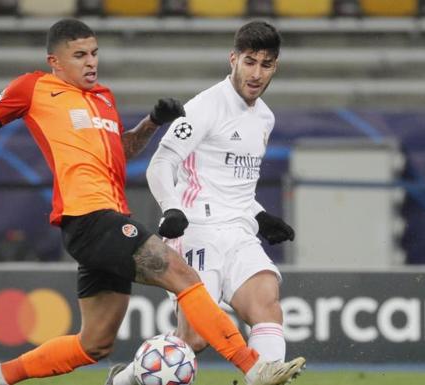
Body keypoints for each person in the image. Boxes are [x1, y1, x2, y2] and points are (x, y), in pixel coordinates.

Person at [0, 19, 301, 385]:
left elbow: (120, 154)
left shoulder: (103, 99)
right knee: (184, 277)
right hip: (87, 217)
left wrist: (151, 122)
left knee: (96, 343)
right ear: (55, 62)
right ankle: (252, 366)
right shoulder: (34, 89)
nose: (91, 63)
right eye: (80, 56)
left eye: (94, 54)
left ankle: (1, 374)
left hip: (108, 219)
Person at [106, 21, 304, 385]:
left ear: (276, 66)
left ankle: (263, 377)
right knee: (194, 339)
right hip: (197, 229)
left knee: (267, 304)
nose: (256, 73)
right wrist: (172, 208)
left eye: (266, 64)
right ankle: (125, 380)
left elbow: (235, 187)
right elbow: (160, 164)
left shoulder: (265, 118)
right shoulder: (204, 107)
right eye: (249, 62)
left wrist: (260, 217)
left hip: (239, 232)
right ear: (233, 59)